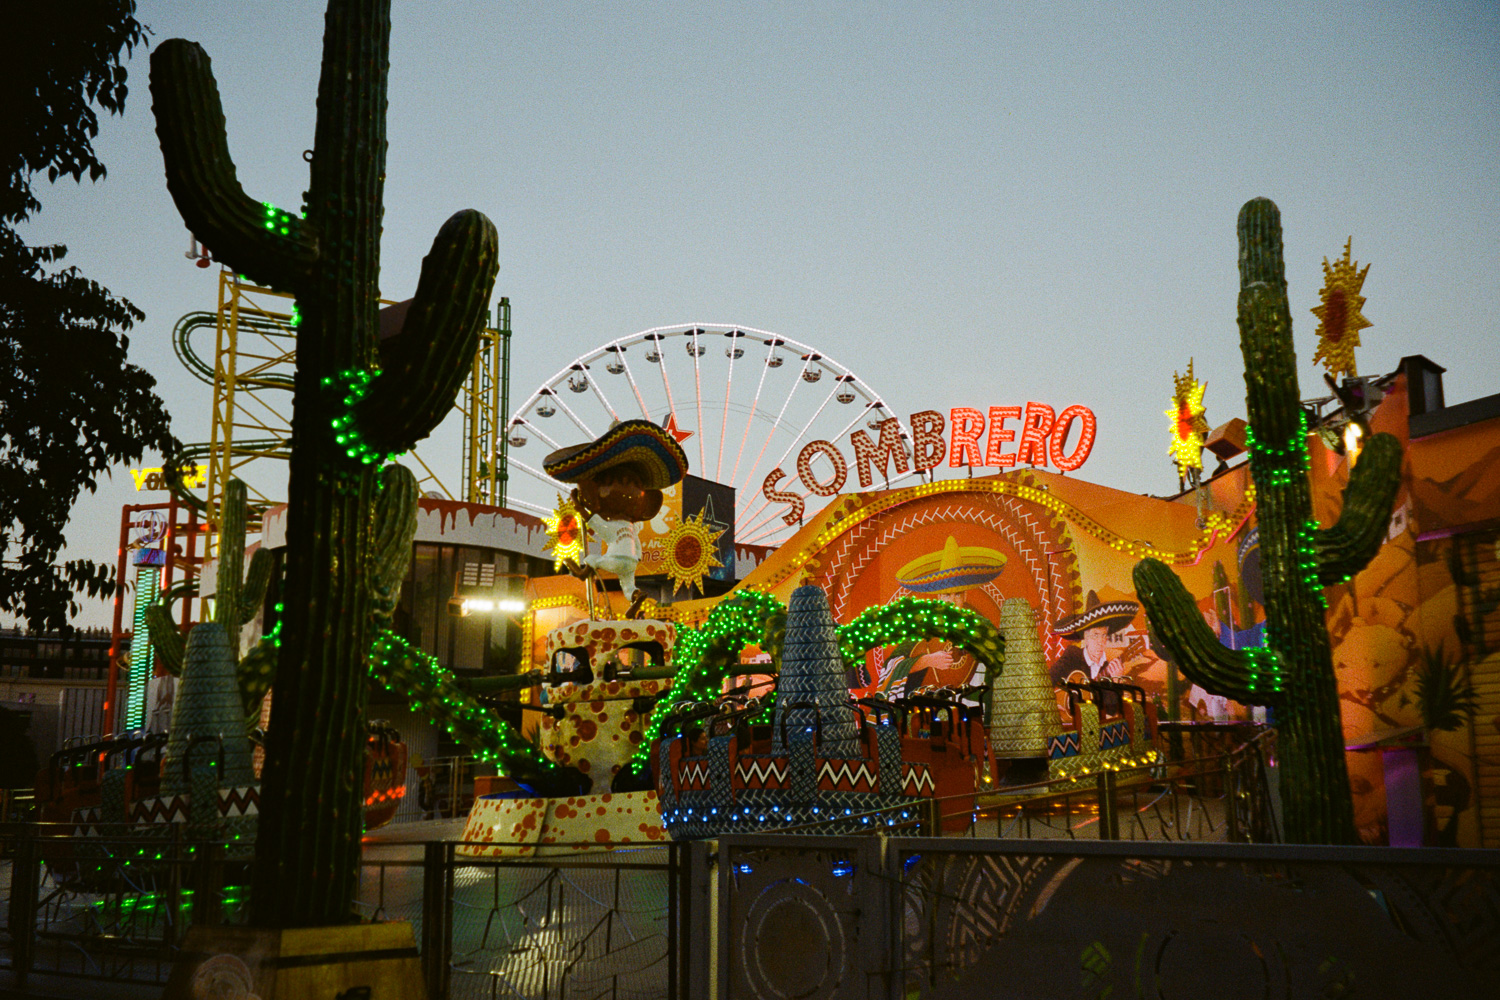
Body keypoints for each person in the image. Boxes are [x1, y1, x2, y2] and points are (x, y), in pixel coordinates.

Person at [1049, 590, 1140, 715]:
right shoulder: (1073, 656)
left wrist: (1116, 682)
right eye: (1095, 635)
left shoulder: (1108, 668)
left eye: (1103, 635)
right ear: (1085, 637)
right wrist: (1051, 705)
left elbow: (1112, 711)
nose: (1100, 641)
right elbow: (1047, 680)